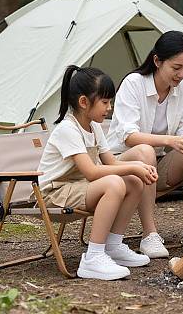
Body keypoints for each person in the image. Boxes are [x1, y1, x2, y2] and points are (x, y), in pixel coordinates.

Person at [38, 65, 158, 280]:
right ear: (84, 102)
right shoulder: (68, 129)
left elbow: (110, 162)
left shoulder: (93, 127)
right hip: (53, 193)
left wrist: (136, 170)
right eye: (105, 102)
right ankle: (93, 257)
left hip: (75, 187)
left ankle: (113, 245)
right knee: (115, 183)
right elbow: (92, 173)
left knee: (133, 182)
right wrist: (134, 166)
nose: (109, 108)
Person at [107, 30, 183, 259]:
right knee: (145, 152)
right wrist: (169, 140)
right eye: (176, 68)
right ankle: (149, 234)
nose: (182, 74)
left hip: (157, 163)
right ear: (157, 61)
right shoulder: (134, 83)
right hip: (120, 163)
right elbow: (129, 136)